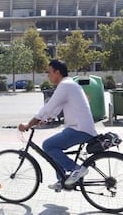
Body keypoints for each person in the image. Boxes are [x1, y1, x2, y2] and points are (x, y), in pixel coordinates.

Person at [18, 59, 97, 191]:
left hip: (80, 129)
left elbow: (48, 107)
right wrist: (46, 120)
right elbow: (56, 108)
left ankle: (76, 169)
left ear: (57, 72)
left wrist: (29, 124)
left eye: (49, 72)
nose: (48, 76)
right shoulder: (69, 84)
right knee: (53, 150)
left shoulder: (65, 85)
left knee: (48, 145)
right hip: (80, 127)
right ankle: (62, 181)